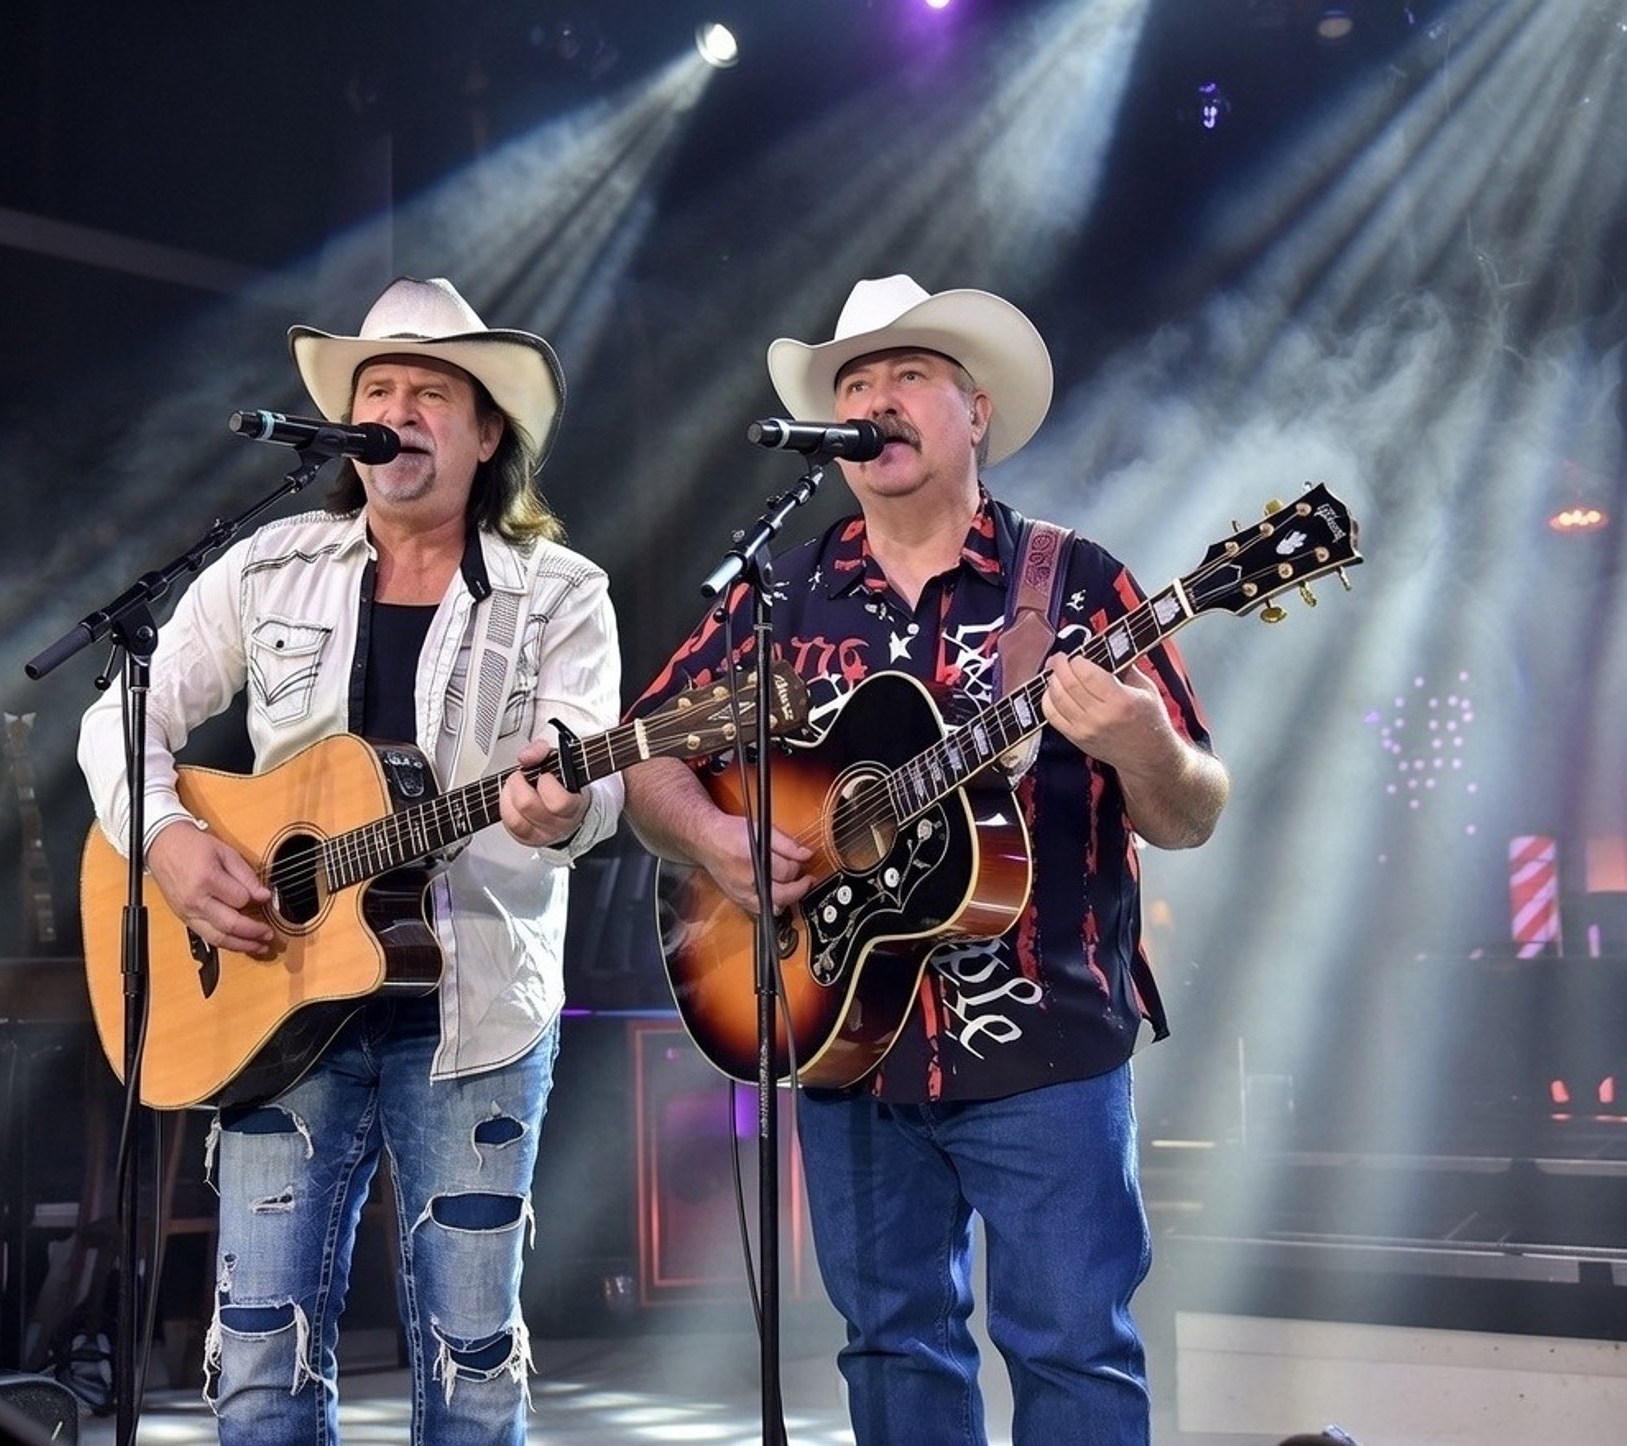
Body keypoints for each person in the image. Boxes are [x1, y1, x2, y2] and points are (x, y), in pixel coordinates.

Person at [622, 274, 1229, 1444]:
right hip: (844, 1033)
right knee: (893, 1351)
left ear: (976, 411)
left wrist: (1143, 741)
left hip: (1048, 1040)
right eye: (855, 383)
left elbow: (1192, 808)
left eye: (907, 374)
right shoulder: (779, 594)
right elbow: (648, 751)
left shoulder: (1075, 583)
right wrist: (712, 837)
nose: (876, 401)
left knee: (1075, 1356)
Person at [77, 276, 623, 1445]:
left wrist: (559, 808)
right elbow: (119, 721)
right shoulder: (270, 566)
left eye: (433, 391)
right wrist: (168, 842)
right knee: (260, 1360)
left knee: (470, 1369)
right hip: (279, 1004)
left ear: (489, 434)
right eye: (378, 387)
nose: (398, 408)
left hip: (473, 1013)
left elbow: (602, 779)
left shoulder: (561, 594)